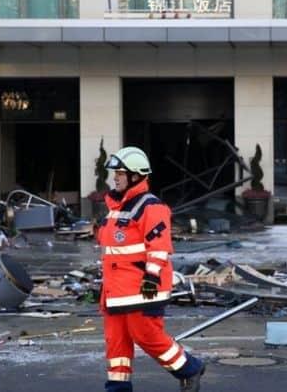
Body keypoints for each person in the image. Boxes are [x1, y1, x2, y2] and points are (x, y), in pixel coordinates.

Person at [97, 146, 205, 392]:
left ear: (136, 175)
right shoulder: (116, 209)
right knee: (116, 345)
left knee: (147, 336)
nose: (115, 177)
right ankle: (117, 390)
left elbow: (159, 247)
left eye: (120, 173)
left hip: (143, 289)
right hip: (115, 291)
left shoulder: (151, 207)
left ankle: (190, 369)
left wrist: (151, 278)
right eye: (115, 172)